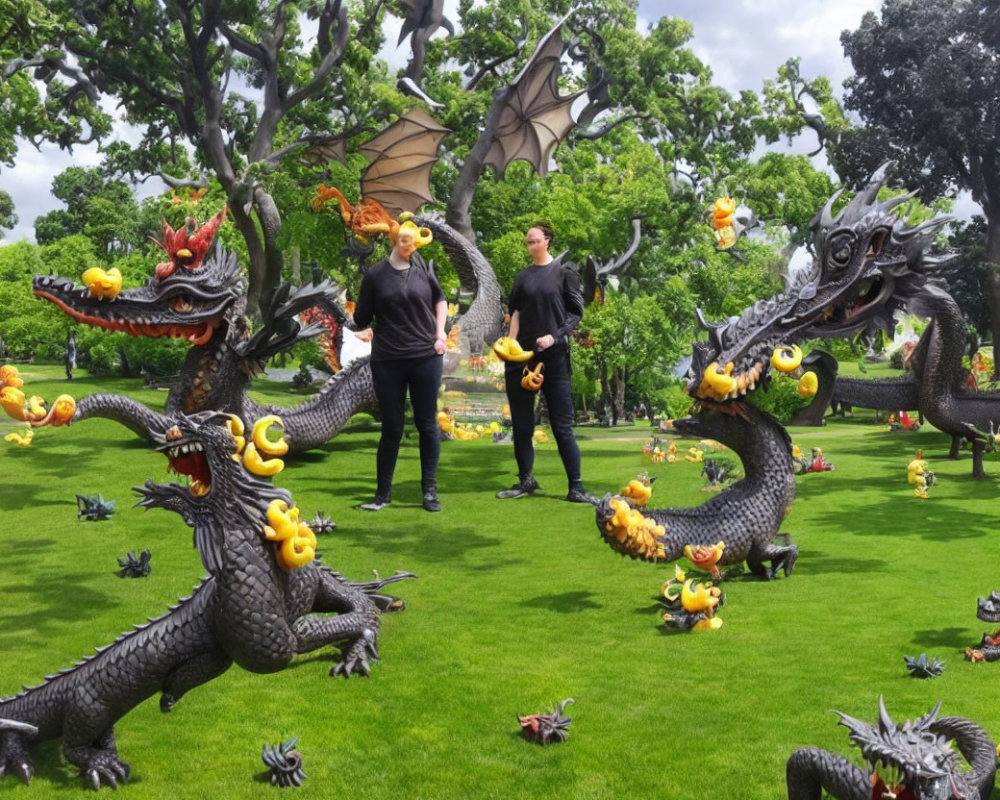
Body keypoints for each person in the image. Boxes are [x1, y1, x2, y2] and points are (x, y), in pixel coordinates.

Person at [353, 220, 448, 512]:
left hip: (425, 358)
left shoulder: (423, 271)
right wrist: (360, 323)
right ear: (399, 243)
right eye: (410, 245)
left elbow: (440, 301)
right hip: (389, 360)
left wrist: (440, 333)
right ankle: (382, 495)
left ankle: (429, 492)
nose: (414, 250)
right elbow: (361, 318)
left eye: (417, 246)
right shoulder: (376, 276)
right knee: (392, 428)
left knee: (427, 424)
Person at [496, 223, 592, 503]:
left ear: (548, 241)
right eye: (528, 242)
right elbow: (515, 312)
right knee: (522, 426)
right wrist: (509, 346)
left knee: (562, 425)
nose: (531, 246)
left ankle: (576, 487)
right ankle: (525, 480)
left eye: (536, 241)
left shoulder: (564, 275)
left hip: (555, 358)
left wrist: (555, 336)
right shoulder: (522, 277)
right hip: (521, 359)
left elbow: (576, 313)